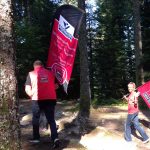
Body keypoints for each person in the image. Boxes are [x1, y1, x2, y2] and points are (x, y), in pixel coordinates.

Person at [25, 60, 59, 148]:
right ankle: (55, 138)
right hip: (50, 98)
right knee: (51, 119)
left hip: (37, 99)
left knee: (36, 118)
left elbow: (27, 88)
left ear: (34, 66)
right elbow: (56, 86)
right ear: (42, 66)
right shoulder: (51, 73)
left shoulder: (31, 73)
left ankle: (36, 138)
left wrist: (31, 94)